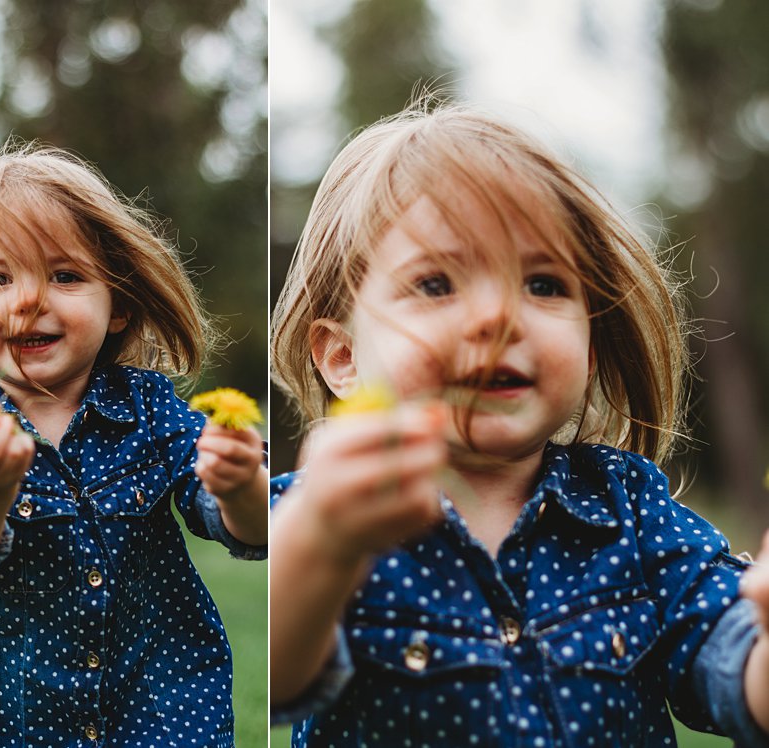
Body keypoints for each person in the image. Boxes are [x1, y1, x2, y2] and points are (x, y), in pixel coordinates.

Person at [268, 97, 769, 746]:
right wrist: (322, 549)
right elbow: (279, 677)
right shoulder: (313, 517)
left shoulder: (632, 510)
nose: (497, 320)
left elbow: (731, 673)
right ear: (343, 357)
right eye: (436, 284)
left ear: (591, 339)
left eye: (543, 285)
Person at [0, 142, 268, 746]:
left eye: (65, 275)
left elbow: (248, 529)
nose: (28, 299)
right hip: (13, 718)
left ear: (117, 304)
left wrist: (241, 484)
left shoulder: (150, 410)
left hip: (163, 708)